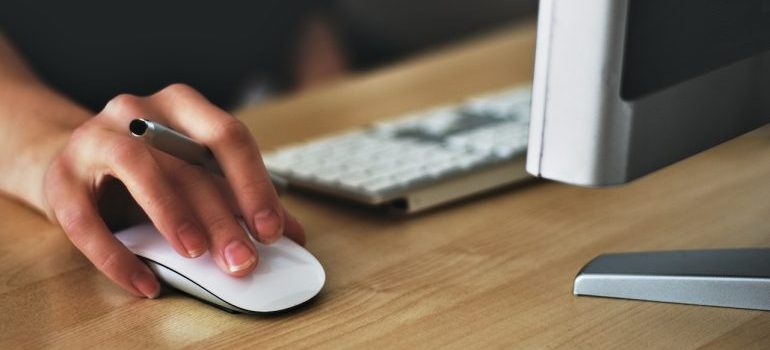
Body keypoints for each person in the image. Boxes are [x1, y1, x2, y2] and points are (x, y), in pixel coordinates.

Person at [0, 1, 536, 300]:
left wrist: (339, 115)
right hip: (74, 124)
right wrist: (55, 152)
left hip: (245, 137)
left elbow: (301, 20)